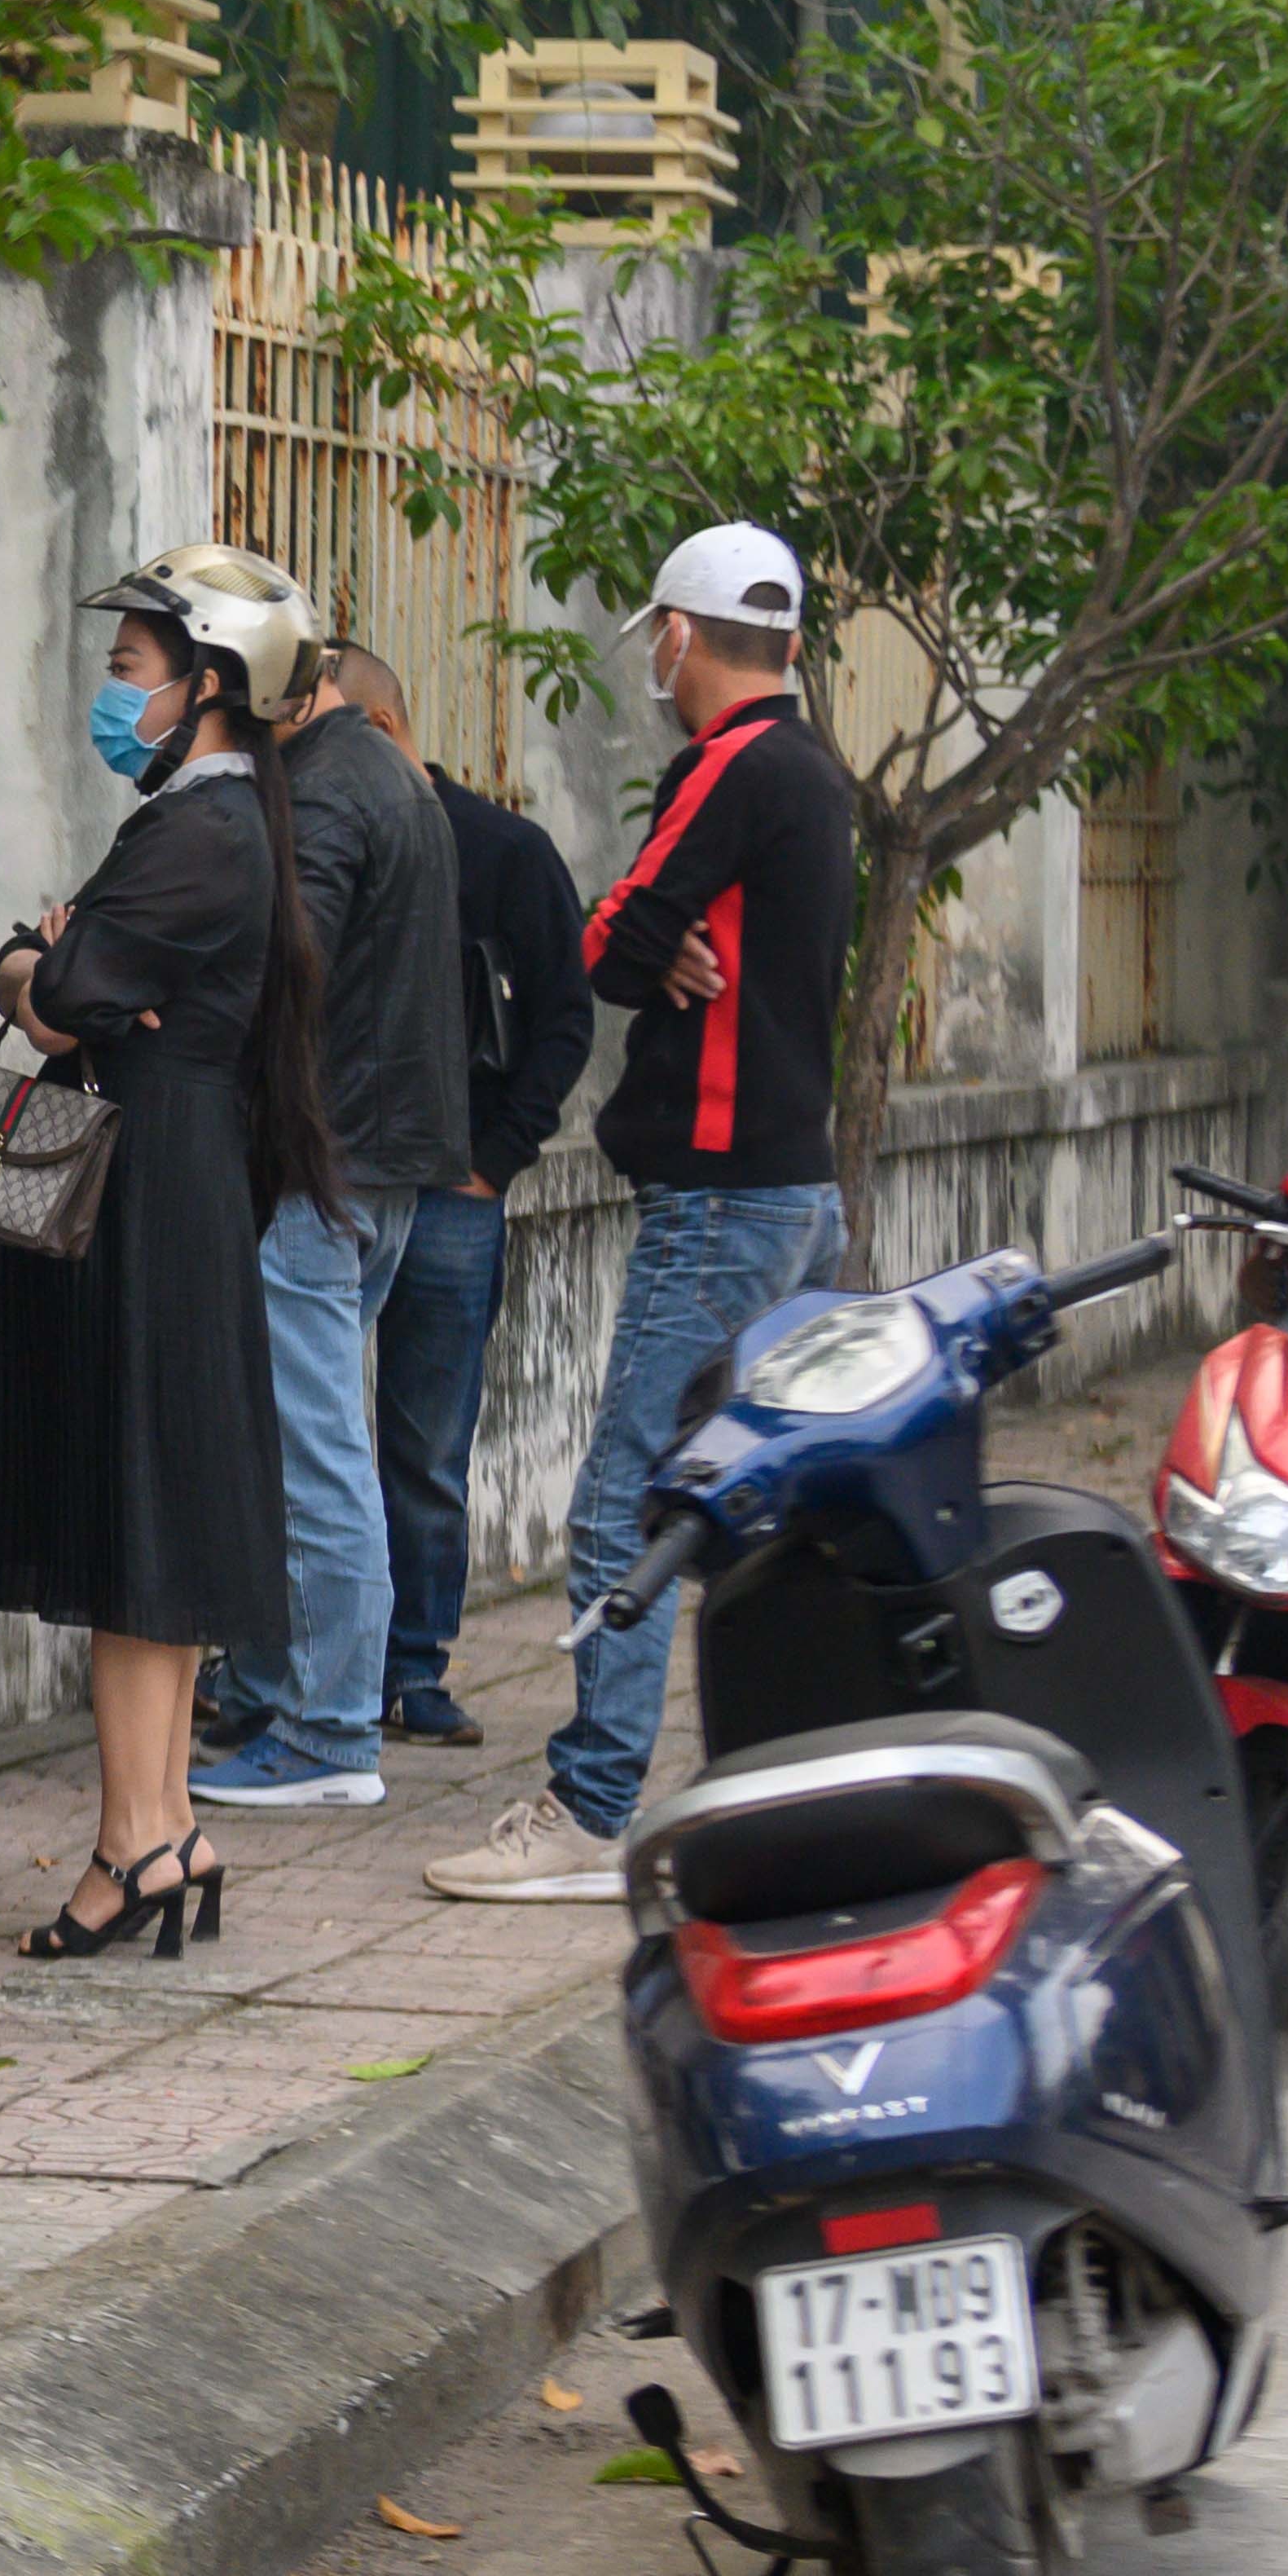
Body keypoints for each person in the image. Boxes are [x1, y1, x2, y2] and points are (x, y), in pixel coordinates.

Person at [430, 523, 856, 1902]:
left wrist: (637, 921)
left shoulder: (729, 768)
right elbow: (638, 929)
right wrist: (644, 921)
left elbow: (607, 947)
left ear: (676, 636)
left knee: (627, 1504)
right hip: (796, 1183)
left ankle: (593, 1801)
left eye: (657, 642)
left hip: (719, 1197)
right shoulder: (818, 770)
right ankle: (792, 1763)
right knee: (775, 1496)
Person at [0, 547, 342, 1959]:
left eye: (130, 669)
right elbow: (81, 991)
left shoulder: (202, 830)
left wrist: (33, 964)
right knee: (154, 1511)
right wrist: (62, 974)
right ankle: (163, 1826)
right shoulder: (213, 821)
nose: (110, 695)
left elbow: (63, 990)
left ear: (210, 683)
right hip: (164, 1177)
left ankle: (136, 1842)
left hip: (149, 1186)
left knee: (141, 1520)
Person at [190, 583, 464, 1812]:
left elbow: (282, 967)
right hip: (379, 1161)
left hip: (322, 1164)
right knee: (302, 1437)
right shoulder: (387, 770)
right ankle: (277, 1692)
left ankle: (328, 1729)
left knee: (314, 1451)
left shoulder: (330, 793)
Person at [319, 645, 591, 1754]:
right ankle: (308, 1668)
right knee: (311, 1434)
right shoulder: (316, 844)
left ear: (381, 730)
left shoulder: (504, 854)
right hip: (329, 1179)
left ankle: (413, 1667)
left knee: (425, 1444)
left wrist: (493, 1159)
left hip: (449, 1192)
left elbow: (564, 1020)